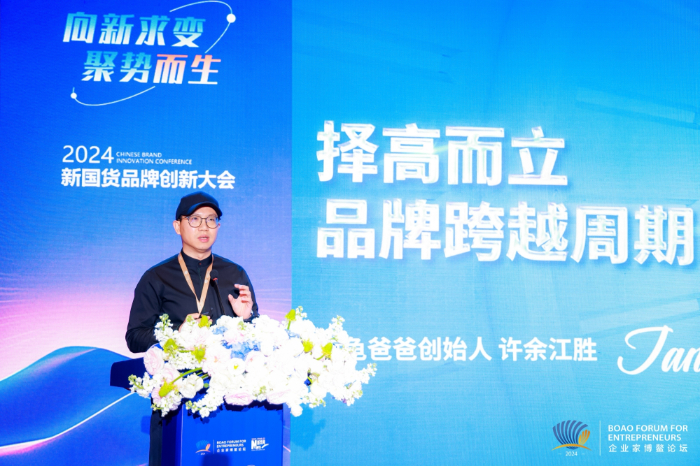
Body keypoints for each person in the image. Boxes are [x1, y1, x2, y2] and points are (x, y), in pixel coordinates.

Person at [125, 191, 258, 466]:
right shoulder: (156, 277)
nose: (204, 227)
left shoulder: (235, 274)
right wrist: (176, 336)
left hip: (231, 401)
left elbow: (256, 337)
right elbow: (135, 337)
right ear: (178, 226)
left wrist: (248, 318)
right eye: (195, 219)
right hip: (177, 400)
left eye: (211, 220)